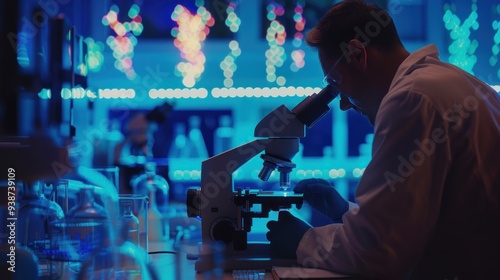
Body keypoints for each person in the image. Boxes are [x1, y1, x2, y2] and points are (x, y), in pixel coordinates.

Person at [266, 0, 500, 279]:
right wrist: (345, 212)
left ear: (357, 54)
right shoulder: (455, 83)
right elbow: (412, 227)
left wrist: (303, 241)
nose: (342, 103)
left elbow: (379, 254)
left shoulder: (412, 98)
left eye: (336, 84)